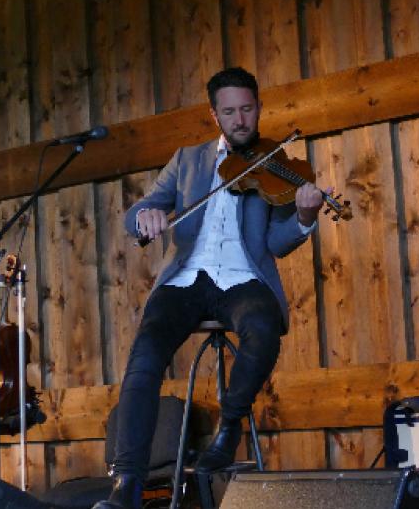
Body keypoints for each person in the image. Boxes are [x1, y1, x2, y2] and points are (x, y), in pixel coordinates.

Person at [94, 67, 329, 509]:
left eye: (246, 109)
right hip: (185, 278)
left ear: (258, 107)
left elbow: (277, 245)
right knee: (145, 355)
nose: (239, 120)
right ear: (214, 115)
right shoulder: (187, 160)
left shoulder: (276, 162)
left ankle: (229, 424)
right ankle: (126, 484)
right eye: (229, 112)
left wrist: (304, 217)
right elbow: (142, 209)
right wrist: (144, 218)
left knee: (263, 325)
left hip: (242, 278)